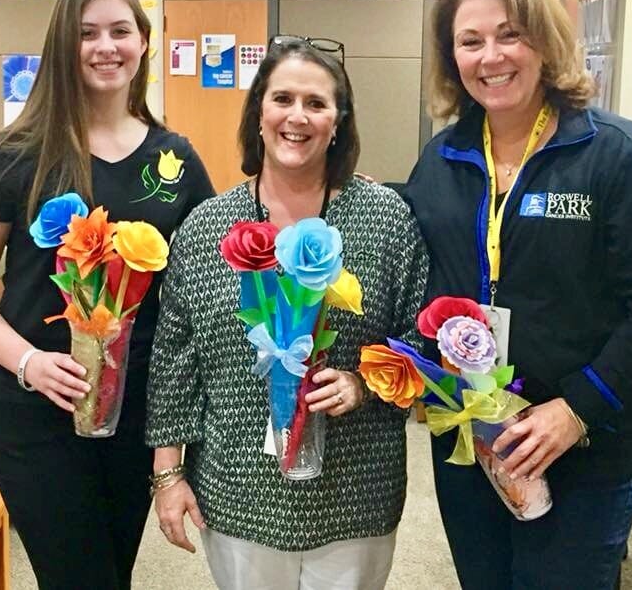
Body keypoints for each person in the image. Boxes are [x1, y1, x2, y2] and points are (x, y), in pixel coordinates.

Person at [402, 0, 632, 589]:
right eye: (470, 41)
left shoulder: (621, 157)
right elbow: (425, 285)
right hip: (473, 441)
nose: (491, 56)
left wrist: (576, 409)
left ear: (545, 40)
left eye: (510, 33)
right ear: (450, 55)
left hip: (582, 446)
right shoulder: (442, 159)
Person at [0, 0, 214, 589]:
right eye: (87, 33)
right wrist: (29, 361)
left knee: (108, 575)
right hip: (38, 412)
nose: (105, 46)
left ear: (144, 42)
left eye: (121, 31)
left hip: (137, 414)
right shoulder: (12, 154)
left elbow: (203, 289)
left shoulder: (174, 162)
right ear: (63, 45)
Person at [145, 37, 429, 590]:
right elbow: (174, 359)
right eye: (282, 99)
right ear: (258, 113)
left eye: (317, 103)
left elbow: (420, 341)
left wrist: (363, 382)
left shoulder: (385, 221)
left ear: (338, 122)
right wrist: (167, 473)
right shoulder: (208, 227)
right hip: (239, 485)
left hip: (355, 490)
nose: (297, 116)